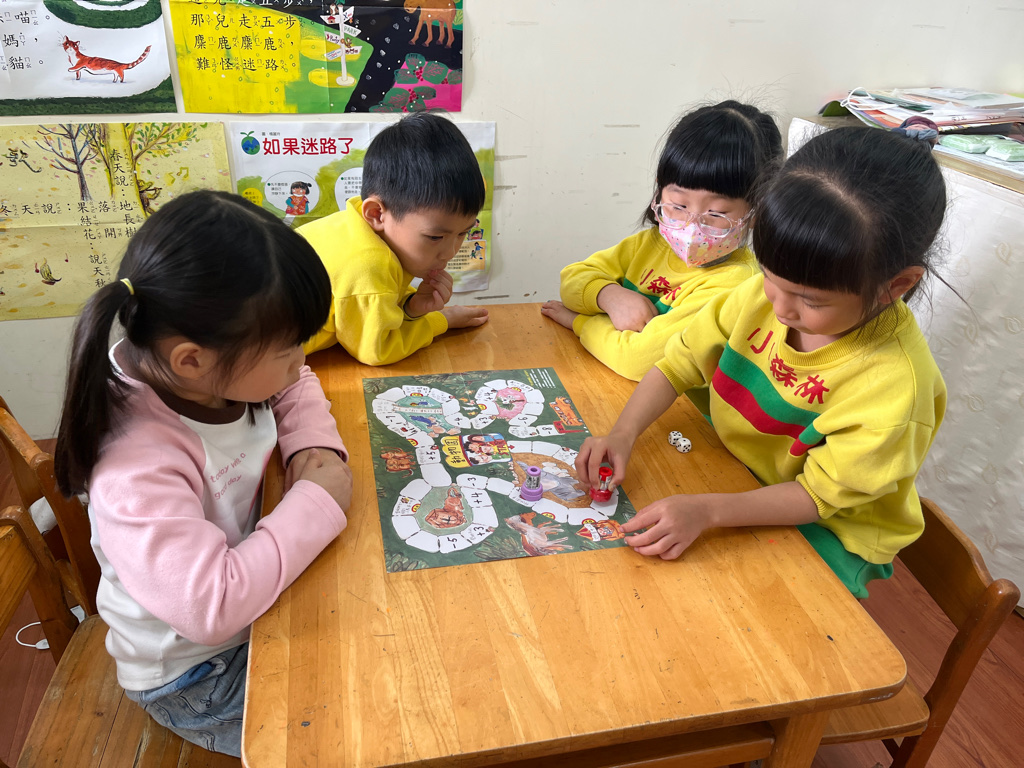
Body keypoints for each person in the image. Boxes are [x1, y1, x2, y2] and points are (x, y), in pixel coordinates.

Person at [577, 126, 948, 598]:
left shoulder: (896, 388)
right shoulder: (758, 293)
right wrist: (622, 433)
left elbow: (818, 496)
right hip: (738, 471)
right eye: (771, 278)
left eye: (811, 300)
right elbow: (679, 363)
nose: (780, 307)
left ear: (896, 286)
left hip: (830, 529)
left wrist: (709, 511)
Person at [53, 190, 353, 756]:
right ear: (192, 359)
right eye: (289, 349)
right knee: (357, 724)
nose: (301, 361)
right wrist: (317, 502)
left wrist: (310, 446)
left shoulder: (206, 368)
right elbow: (211, 607)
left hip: (252, 596)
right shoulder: (136, 466)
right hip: (198, 673)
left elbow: (294, 382)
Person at [542, 101, 783, 402]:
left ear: (757, 209)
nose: (691, 227)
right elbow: (572, 279)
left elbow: (636, 361)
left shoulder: (734, 284)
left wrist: (579, 321)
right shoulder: (651, 244)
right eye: (679, 205)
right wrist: (610, 296)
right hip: (611, 386)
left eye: (717, 213)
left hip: (681, 416)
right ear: (660, 190)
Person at [299, 112, 489, 364]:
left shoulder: (353, 223)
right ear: (377, 214)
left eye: (463, 233)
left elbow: (376, 301)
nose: (450, 252)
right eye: (435, 237)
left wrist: (410, 307)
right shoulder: (367, 266)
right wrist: (442, 320)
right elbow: (377, 350)